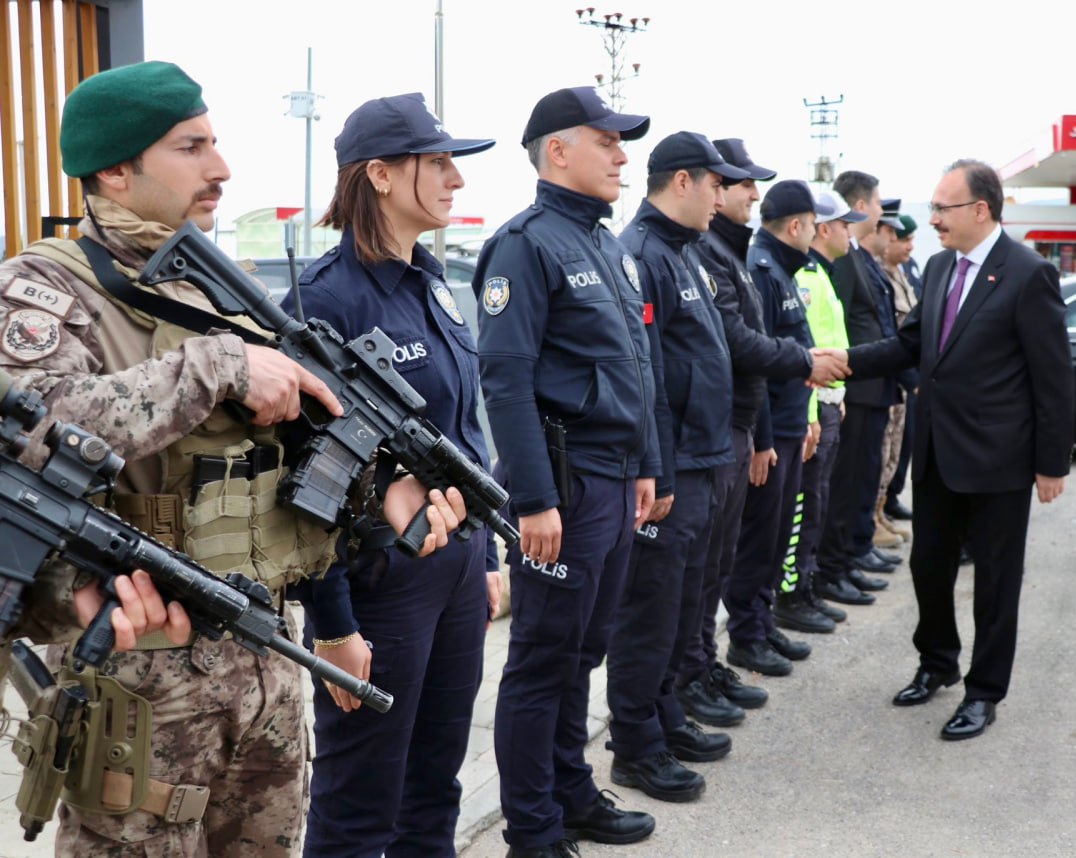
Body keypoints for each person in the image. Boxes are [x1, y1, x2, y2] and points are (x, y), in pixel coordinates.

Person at [0, 62, 460, 856]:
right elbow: (43, 418)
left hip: (261, 662)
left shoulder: (221, 291)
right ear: (116, 169)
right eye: (192, 147)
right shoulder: (43, 289)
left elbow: (273, 471)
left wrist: (374, 500)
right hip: (138, 681)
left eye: (215, 143)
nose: (221, 169)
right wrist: (217, 367)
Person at [282, 93, 503, 857]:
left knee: (435, 782)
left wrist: (490, 557)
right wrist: (334, 624)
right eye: (437, 163)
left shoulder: (433, 282)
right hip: (378, 579)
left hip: (455, 561)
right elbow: (304, 478)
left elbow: (464, 435)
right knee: (361, 795)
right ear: (378, 174)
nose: (455, 180)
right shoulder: (326, 301)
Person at [474, 86, 660, 858]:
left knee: (584, 651)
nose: (623, 155)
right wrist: (534, 500)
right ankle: (533, 830)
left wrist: (646, 462)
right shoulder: (525, 244)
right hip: (567, 485)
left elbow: (635, 365)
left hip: (616, 480)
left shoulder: (606, 244)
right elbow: (507, 381)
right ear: (558, 150)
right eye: (607, 141)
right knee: (542, 659)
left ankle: (568, 790)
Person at [844, 159, 1074, 740]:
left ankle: (984, 690)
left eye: (944, 207)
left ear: (980, 209)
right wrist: (842, 362)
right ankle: (937, 663)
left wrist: (1052, 464)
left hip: (999, 458)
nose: (933, 218)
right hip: (939, 450)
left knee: (995, 581)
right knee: (929, 567)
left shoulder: (1027, 274)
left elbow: (1054, 379)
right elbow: (911, 343)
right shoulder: (943, 266)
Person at [676, 139, 847, 724]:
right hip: (718, 437)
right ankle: (719, 654)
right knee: (712, 566)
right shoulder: (736, 260)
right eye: (742, 183)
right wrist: (774, 424)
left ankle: (722, 651)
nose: (751, 193)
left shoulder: (741, 258)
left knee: (729, 558)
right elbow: (742, 349)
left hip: (748, 430)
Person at [606, 131, 745, 804]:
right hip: (675, 467)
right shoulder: (642, 256)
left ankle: (662, 716)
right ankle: (634, 744)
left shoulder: (685, 254)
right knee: (650, 611)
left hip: (706, 457)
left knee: (684, 605)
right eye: (716, 184)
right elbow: (648, 379)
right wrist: (656, 472)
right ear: (682, 182)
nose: (723, 197)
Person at [723, 180, 831, 678]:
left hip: (789, 424)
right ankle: (746, 634)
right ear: (795, 225)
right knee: (759, 539)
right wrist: (763, 440)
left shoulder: (780, 269)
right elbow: (755, 365)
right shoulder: (761, 270)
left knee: (776, 533)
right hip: (771, 431)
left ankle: (761, 623)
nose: (816, 235)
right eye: (813, 226)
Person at [772, 190, 865, 635]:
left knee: (817, 500)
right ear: (821, 228)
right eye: (844, 224)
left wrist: (837, 394)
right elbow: (803, 352)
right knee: (803, 504)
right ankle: (791, 593)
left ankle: (804, 585)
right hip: (812, 405)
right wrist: (812, 409)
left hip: (827, 400)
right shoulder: (806, 277)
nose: (851, 232)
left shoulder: (820, 274)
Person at [815, 171, 900, 604]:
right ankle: (837, 563)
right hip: (854, 387)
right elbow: (840, 325)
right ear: (861, 204)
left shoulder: (860, 258)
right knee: (845, 484)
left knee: (862, 479)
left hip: (872, 388)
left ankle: (851, 556)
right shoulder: (844, 262)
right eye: (879, 203)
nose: (882, 212)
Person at [874, 205, 920, 546]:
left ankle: (879, 514)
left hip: (903, 375)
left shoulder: (905, 273)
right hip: (890, 374)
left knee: (894, 454)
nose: (906, 245)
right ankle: (872, 520)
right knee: (881, 454)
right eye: (899, 237)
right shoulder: (876, 272)